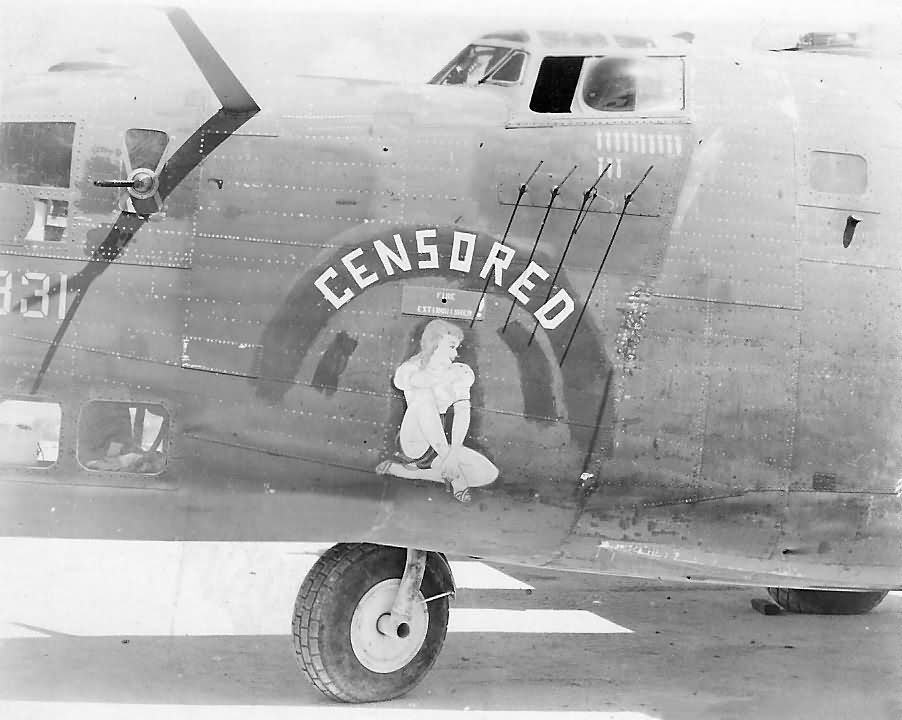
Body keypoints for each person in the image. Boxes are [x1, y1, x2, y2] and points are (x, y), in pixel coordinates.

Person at [376, 319, 498, 503]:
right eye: (451, 346)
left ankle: (409, 473)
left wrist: (453, 454)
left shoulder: (460, 372)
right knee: (424, 396)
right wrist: (445, 375)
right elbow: (414, 383)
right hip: (414, 440)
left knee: (489, 474)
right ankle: (454, 477)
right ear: (434, 343)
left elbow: (462, 413)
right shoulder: (411, 369)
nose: (455, 353)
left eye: (456, 347)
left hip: (437, 441)